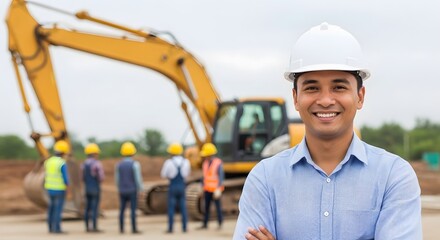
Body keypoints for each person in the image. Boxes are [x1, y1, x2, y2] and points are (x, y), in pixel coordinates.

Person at [233, 22, 422, 239]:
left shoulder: (393, 176)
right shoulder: (264, 179)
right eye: (312, 88)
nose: (325, 100)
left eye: (338, 87)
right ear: (295, 98)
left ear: (360, 96)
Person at [160, 142, 191, 233]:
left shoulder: (169, 162)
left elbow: (163, 174)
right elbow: (187, 174)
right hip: (182, 186)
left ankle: (170, 228)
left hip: (173, 186)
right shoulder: (186, 162)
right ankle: (184, 228)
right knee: (183, 208)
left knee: (171, 208)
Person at [115, 141, 144, 234]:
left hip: (122, 190)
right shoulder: (135, 164)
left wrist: (119, 188)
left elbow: (117, 179)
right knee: (132, 210)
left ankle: (121, 229)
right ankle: (134, 228)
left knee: (122, 210)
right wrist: (140, 189)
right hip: (132, 190)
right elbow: (137, 179)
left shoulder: (118, 165)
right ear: (133, 152)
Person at [44, 140, 70, 234]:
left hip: (49, 189)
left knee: (51, 209)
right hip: (59, 189)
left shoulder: (48, 161)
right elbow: (66, 178)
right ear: (64, 152)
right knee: (58, 209)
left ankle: (50, 228)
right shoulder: (61, 162)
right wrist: (68, 186)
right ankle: (57, 229)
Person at [198, 143, 225, 230]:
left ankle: (220, 223)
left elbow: (221, 176)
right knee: (206, 207)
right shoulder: (205, 163)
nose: (205, 157)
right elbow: (204, 176)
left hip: (215, 189)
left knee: (218, 207)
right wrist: (202, 186)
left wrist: (219, 188)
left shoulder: (218, 163)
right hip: (207, 189)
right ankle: (205, 223)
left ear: (210, 154)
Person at [81, 143, 104, 233]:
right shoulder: (97, 164)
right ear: (94, 153)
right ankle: (94, 227)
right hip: (95, 188)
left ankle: (87, 227)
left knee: (87, 208)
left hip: (87, 188)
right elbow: (101, 177)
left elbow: (82, 177)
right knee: (94, 208)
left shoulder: (83, 164)